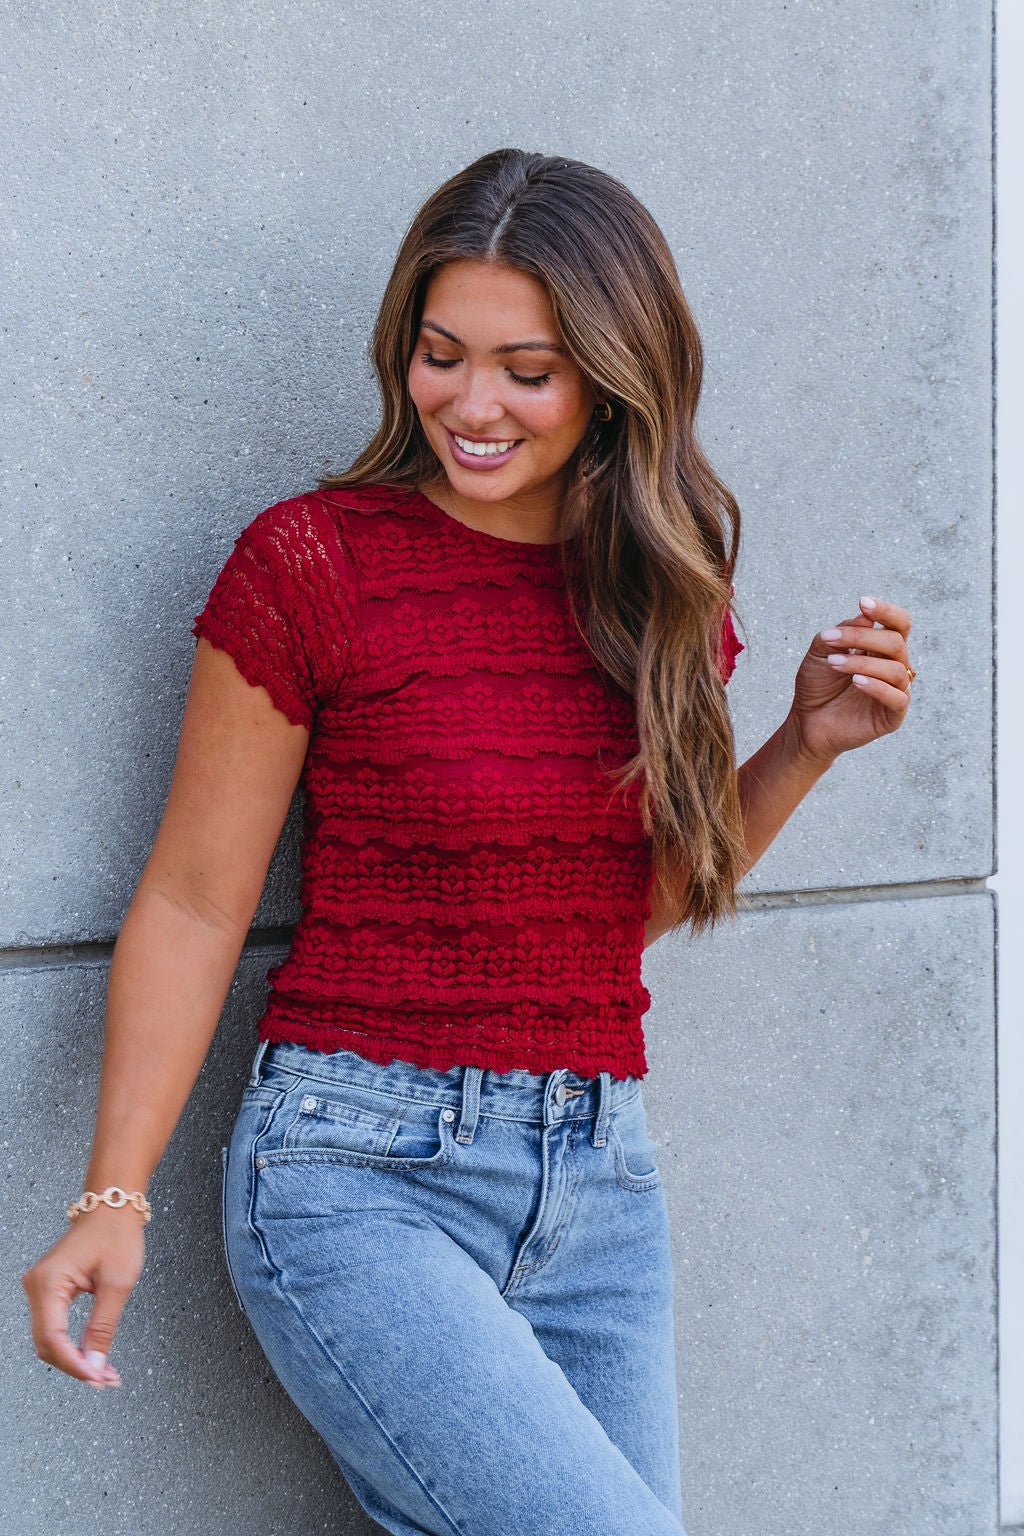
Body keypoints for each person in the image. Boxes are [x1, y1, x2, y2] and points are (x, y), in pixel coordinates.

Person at [21, 148, 914, 1536]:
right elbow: (198, 903)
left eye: (527, 370)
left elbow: (613, 904)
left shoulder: (660, 587)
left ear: (615, 379)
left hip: (601, 1189)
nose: (471, 405)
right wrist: (115, 1192)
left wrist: (800, 746)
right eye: (441, 355)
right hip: (355, 1178)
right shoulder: (314, 564)